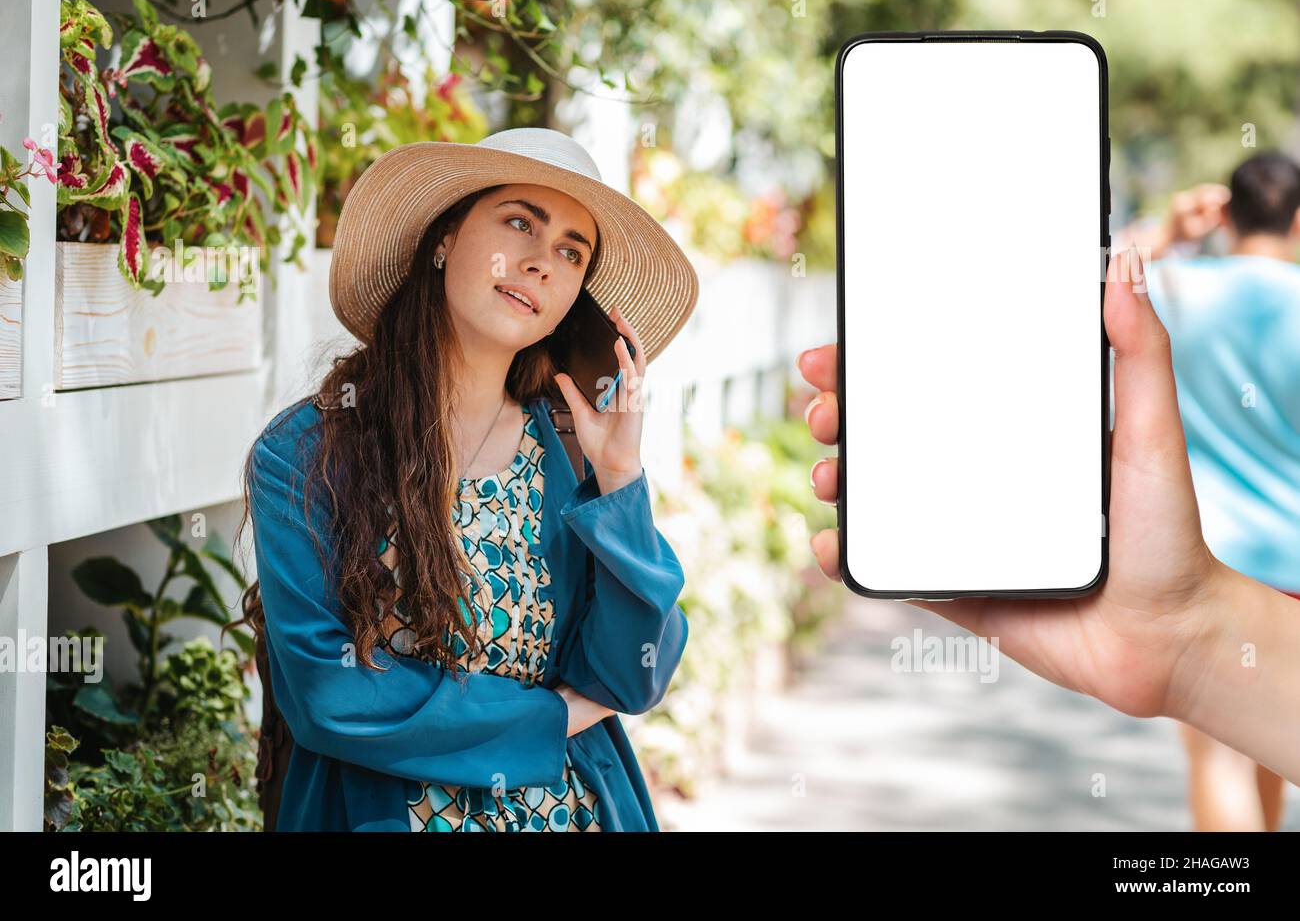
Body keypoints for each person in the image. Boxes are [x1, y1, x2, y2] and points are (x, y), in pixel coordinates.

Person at [231, 128, 698, 831]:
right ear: (445, 238)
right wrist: (552, 716)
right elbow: (330, 695)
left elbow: (630, 674)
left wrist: (620, 481)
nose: (542, 263)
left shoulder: (571, 456)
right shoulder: (307, 453)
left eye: (572, 252)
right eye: (520, 223)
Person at [798, 244, 1300, 793]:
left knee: (1222, 768)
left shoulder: (1179, 284)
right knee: (1261, 776)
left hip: (1218, 543)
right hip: (1283, 556)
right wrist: (1186, 637)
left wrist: (1190, 640)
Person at [1118, 150, 1300, 831]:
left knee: (1220, 759)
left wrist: (1168, 229)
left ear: (1225, 215)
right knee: (1278, 755)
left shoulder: (1179, 290)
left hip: (1213, 564)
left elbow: (1103, 281)